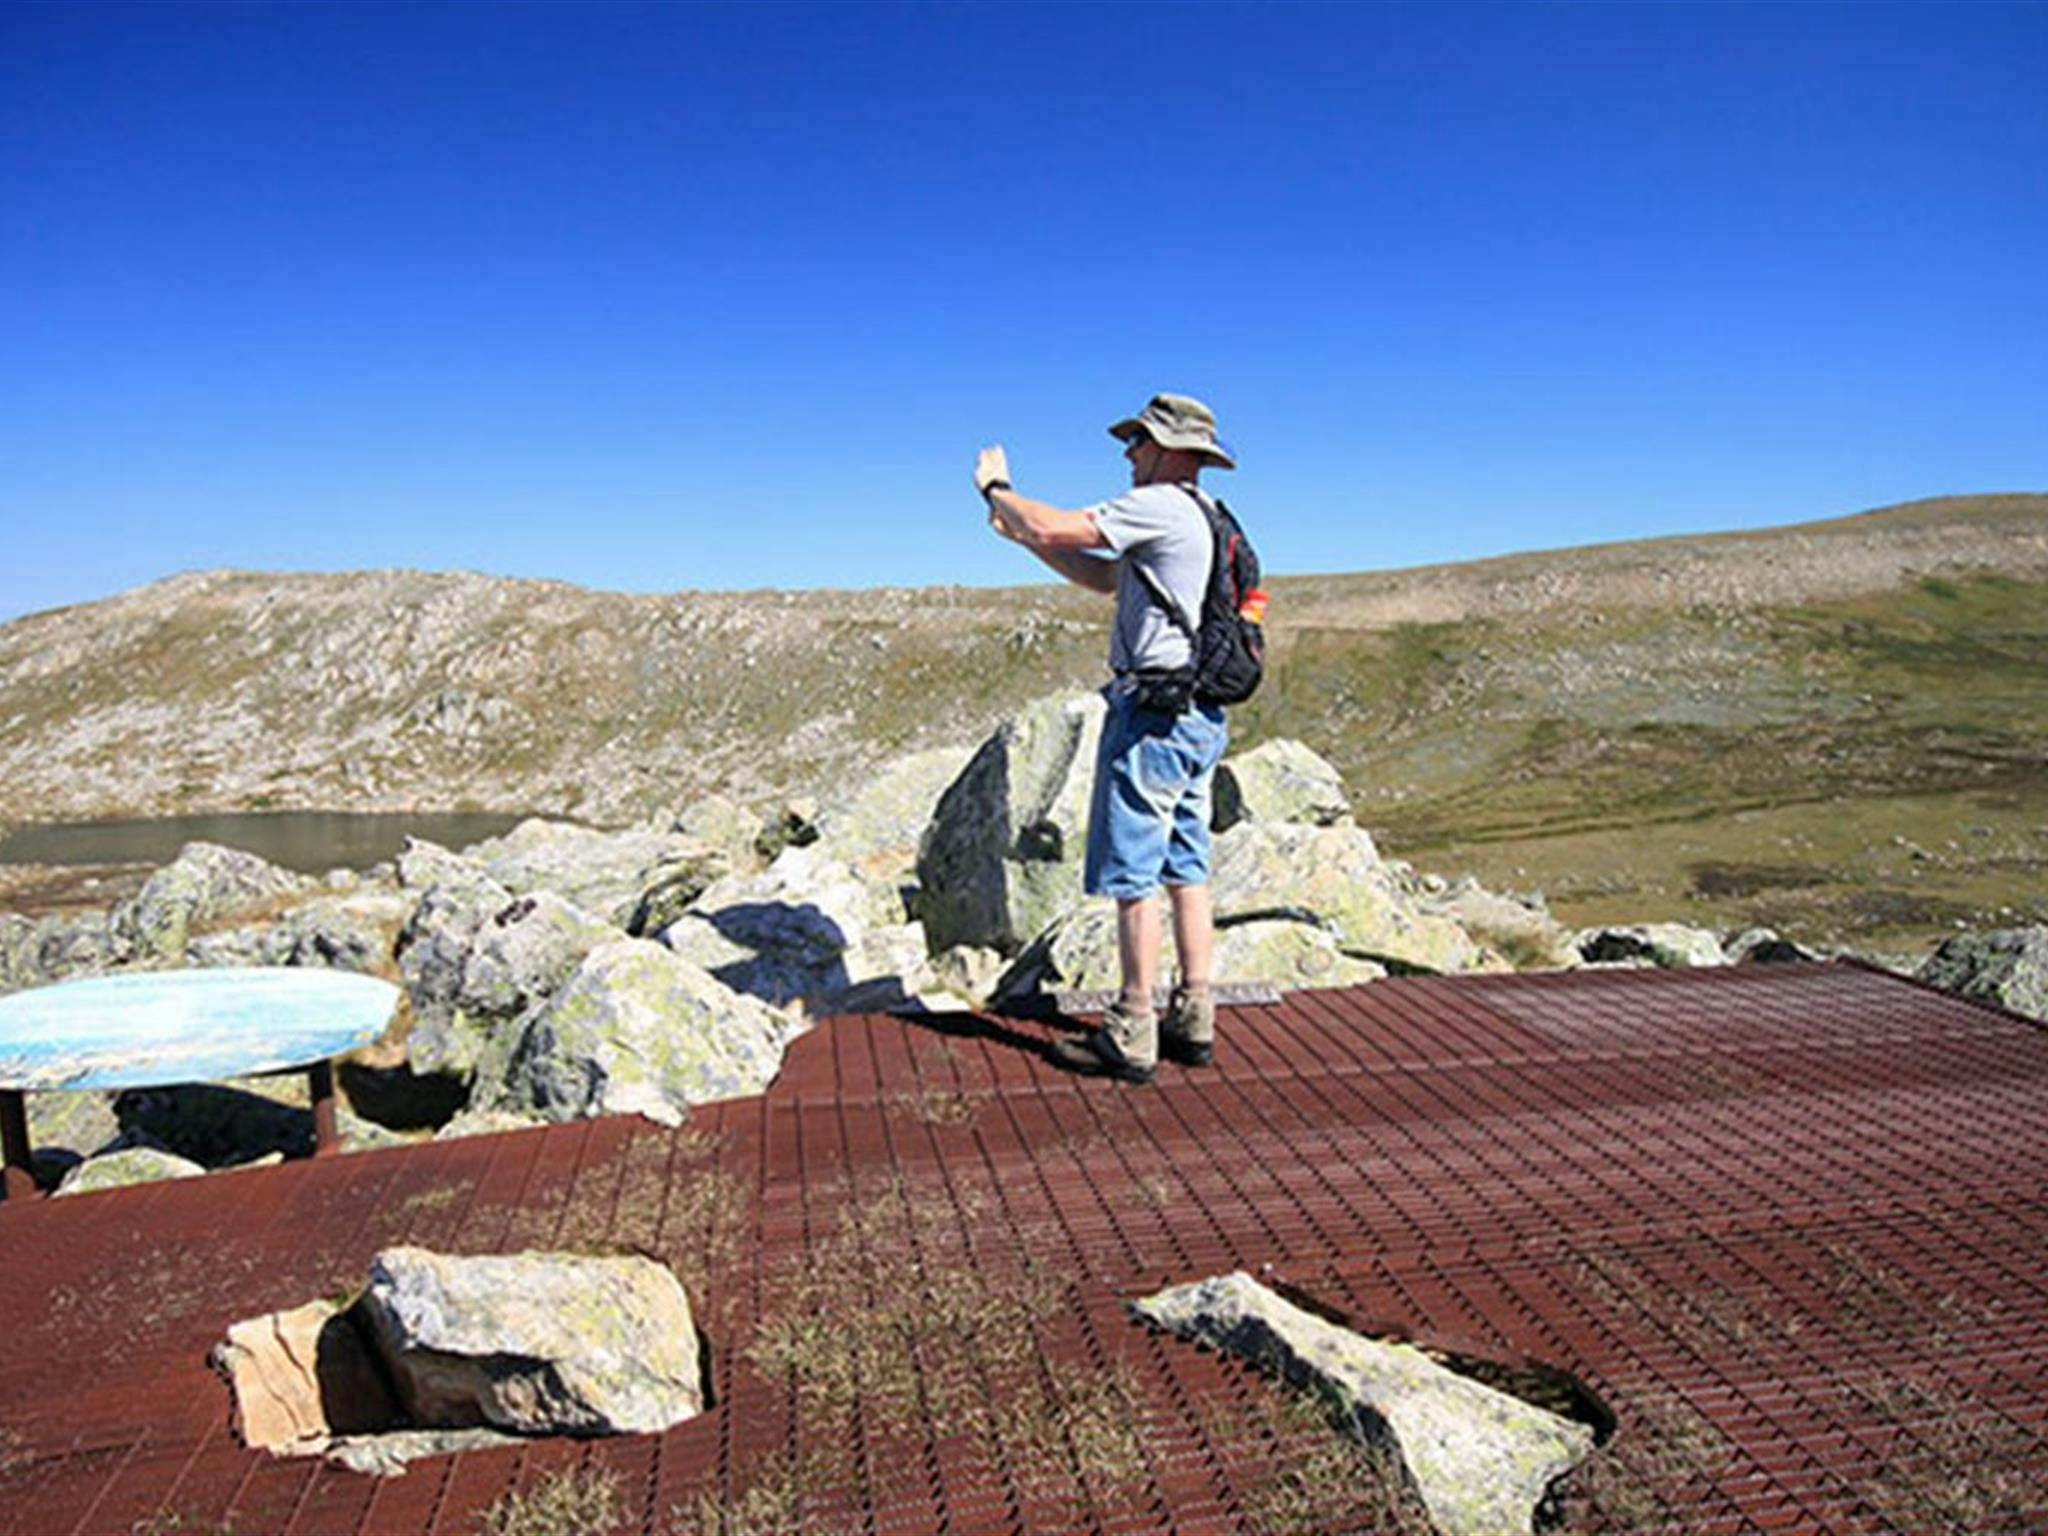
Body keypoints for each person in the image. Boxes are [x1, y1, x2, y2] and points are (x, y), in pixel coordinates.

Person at [974, 392, 1236, 1083]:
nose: (1129, 453)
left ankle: (1131, 1027)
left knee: (1134, 878)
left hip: (1151, 714)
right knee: (1188, 868)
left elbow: (1065, 527)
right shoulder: (1206, 517)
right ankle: (1195, 1013)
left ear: (1173, 450)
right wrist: (1029, 536)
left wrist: (998, 490)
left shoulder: (1160, 505)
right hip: (1197, 713)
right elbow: (1103, 576)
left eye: (1139, 441)